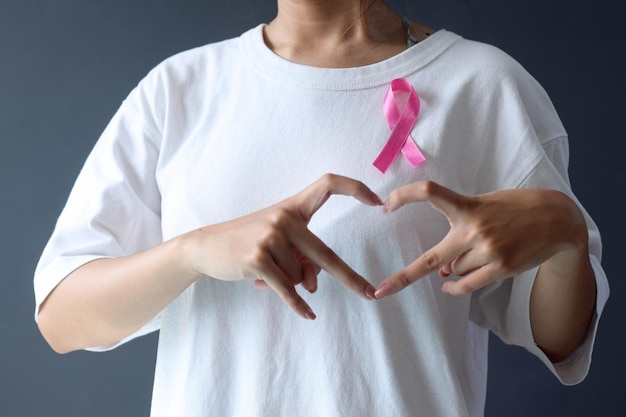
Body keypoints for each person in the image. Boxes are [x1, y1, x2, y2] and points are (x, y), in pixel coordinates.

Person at [34, 0, 609, 416]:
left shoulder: (481, 85)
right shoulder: (178, 91)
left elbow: (560, 340)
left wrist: (566, 237)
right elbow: (61, 316)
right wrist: (193, 251)